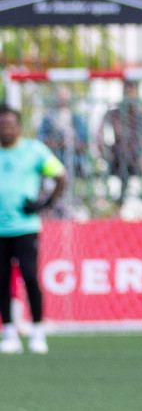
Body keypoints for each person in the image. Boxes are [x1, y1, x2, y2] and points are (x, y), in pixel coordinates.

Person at [0, 104, 67, 355]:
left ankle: (37, 331)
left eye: (9, 125)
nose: (6, 130)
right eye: (1, 125)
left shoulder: (33, 151)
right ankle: (8, 333)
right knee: (1, 280)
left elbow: (61, 176)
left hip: (25, 227)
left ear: (18, 127)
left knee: (29, 275)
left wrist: (45, 203)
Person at [101, 80, 142, 207]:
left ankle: (121, 202)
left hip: (138, 159)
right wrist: (105, 156)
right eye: (126, 91)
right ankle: (120, 202)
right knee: (123, 155)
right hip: (116, 159)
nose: (129, 95)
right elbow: (101, 137)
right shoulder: (114, 114)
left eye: (131, 91)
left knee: (127, 156)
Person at [36, 86, 91, 181]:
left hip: (75, 162)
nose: (63, 101)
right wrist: (59, 143)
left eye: (65, 98)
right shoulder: (48, 119)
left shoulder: (78, 119)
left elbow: (83, 144)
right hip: (54, 161)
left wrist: (71, 143)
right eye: (60, 97)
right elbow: (42, 142)